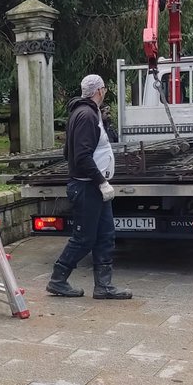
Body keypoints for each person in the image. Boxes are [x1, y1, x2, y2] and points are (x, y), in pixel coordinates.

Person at [46, 74, 132, 300]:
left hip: (92, 187)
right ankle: (57, 280)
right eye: (104, 88)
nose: (105, 92)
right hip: (88, 188)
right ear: (99, 91)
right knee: (83, 238)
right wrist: (101, 182)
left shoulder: (85, 113)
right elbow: (82, 155)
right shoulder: (85, 115)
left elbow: (68, 152)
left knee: (105, 235)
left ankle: (104, 286)